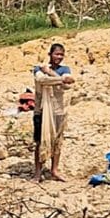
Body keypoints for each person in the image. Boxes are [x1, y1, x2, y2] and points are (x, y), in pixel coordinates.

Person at [33, 43, 75, 181]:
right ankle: (38, 172)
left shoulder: (64, 68)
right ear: (50, 54)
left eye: (61, 54)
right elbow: (41, 80)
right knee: (40, 141)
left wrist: (51, 73)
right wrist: (61, 79)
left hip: (58, 110)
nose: (59, 57)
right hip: (42, 109)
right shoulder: (38, 68)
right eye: (56, 54)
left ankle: (54, 170)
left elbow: (66, 86)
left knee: (57, 141)